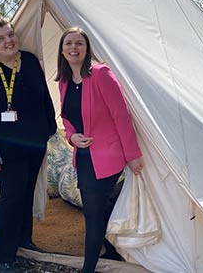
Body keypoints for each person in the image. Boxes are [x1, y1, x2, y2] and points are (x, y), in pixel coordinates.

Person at [0, 13, 56, 273]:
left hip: (34, 144)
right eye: (1, 38)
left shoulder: (28, 60)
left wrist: (49, 128)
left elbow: (44, 99)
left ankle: (22, 240)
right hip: (6, 150)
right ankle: (0, 259)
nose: (9, 41)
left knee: (26, 193)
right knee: (11, 196)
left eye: (10, 34)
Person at [56, 27, 144, 273]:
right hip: (83, 156)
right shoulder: (63, 82)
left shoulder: (102, 74)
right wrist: (72, 136)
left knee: (93, 214)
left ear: (87, 48)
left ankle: (88, 267)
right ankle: (112, 250)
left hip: (108, 156)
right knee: (98, 206)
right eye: (68, 44)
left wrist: (133, 155)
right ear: (62, 50)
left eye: (79, 43)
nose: (74, 48)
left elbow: (122, 116)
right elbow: (66, 119)